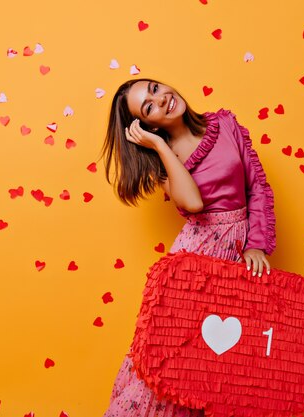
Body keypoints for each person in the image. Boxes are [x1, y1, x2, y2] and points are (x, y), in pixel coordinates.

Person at [99, 78, 277, 417]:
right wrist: (159, 146)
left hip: (239, 253)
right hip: (196, 261)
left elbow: (256, 186)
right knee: (177, 358)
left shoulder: (225, 124)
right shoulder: (159, 162)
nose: (161, 98)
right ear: (146, 125)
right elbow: (194, 204)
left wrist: (257, 244)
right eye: (148, 107)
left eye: (154, 88)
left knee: (219, 364)